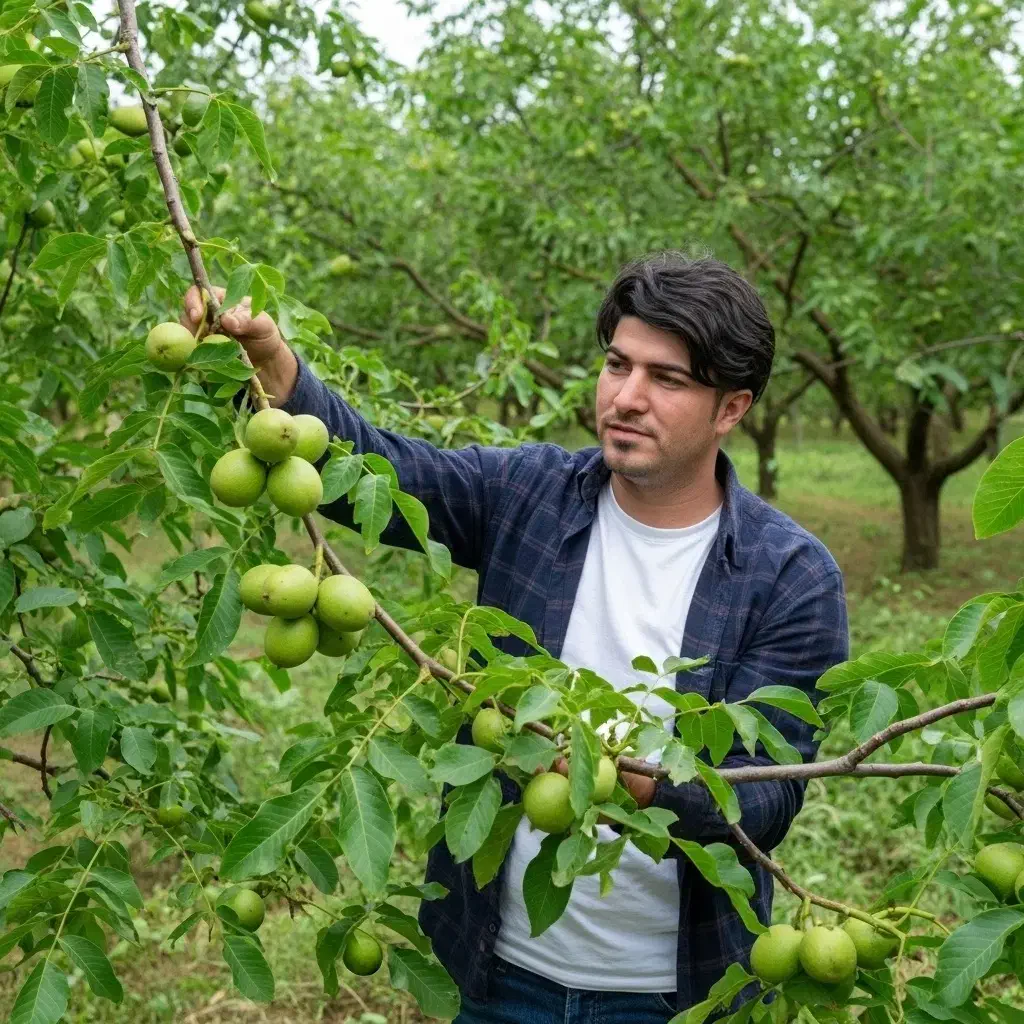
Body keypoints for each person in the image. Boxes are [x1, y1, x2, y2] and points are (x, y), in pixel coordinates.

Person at [180, 250, 849, 1024]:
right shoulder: (530, 494)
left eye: (666, 380)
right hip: (497, 975)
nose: (626, 398)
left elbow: (764, 795)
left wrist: (610, 773)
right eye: (616, 364)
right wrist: (272, 367)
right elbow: (386, 473)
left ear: (730, 409)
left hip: (674, 995)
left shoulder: (792, 575)